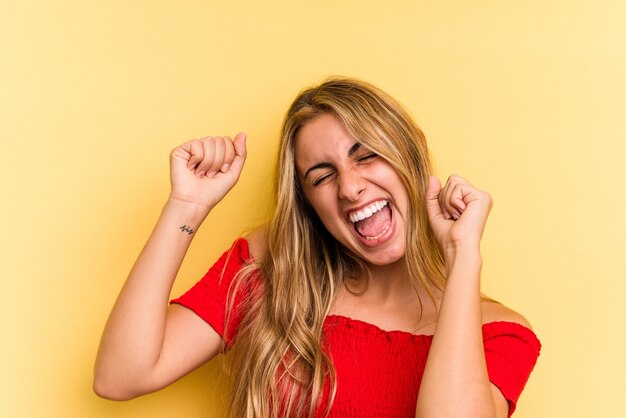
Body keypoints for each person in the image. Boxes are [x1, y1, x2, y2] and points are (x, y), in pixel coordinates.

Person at [94, 77, 541, 417]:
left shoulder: (498, 332)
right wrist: (186, 206)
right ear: (309, 203)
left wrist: (462, 255)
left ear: (414, 154)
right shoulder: (272, 270)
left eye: (366, 156)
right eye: (322, 176)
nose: (350, 188)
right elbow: (121, 375)